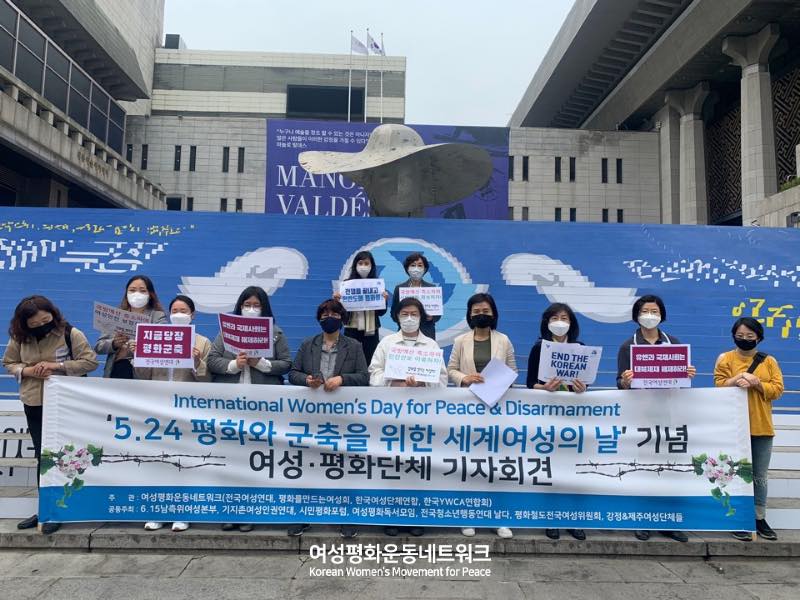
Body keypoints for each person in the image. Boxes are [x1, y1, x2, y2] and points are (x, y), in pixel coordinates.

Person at [3, 295, 98, 534]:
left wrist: (57, 367)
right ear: (24, 324)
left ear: (53, 315)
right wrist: (28, 370)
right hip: (34, 402)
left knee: (66, 456)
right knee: (43, 457)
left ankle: (63, 508)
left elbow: (90, 362)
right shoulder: (19, 337)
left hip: (66, 403)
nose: (41, 326)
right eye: (34, 324)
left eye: (45, 320)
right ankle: (45, 509)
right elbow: (9, 362)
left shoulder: (70, 333)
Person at [207, 285, 291, 532]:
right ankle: (230, 511)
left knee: (256, 459)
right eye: (247, 305)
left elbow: (286, 363)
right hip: (230, 406)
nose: (251, 309)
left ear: (264, 308)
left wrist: (261, 363)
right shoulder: (225, 333)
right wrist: (234, 364)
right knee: (230, 459)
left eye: (256, 305)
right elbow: (212, 361)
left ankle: (250, 511)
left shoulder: (276, 333)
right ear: (239, 307)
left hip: (261, 406)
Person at [286, 299, 369, 539]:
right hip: (311, 416)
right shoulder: (308, 344)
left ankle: (346, 518)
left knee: (343, 467)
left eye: (334, 314)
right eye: (324, 314)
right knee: (307, 465)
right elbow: (293, 373)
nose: (329, 318)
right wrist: (306, 381)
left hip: (343, 417)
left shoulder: (354, 346)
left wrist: (342, 379)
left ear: (342, 319)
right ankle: (302, 516)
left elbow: (364, 377)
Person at [616, 294, 696, 543]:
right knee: (644, 470)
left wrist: (687, 374)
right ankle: (643, 520)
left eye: (654, 311)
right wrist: (625, 381)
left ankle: (668, 522)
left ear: (662, 315)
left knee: (669, 469)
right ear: (636, 315)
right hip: (641, 418)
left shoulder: (674, 343)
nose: (649, 316)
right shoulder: (628, 346)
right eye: (645, 311)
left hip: (669, 416)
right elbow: (620, 384)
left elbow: (681, 382)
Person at [370, 297, 446, 537]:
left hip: (421, 418)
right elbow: (373, 375)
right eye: (405, 314)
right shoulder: (387, 343)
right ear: (396, 317)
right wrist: (393, 379)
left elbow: (443, 381)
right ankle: (391, 517)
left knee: (418, 468)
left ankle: (416, 517)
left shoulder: (431, 345)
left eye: (414, 314)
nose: (410, 318)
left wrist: (423, 382)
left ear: (422, 317)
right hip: (392, 416)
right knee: (392, 467)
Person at [139, 294, 212, 533]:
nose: (178, 314)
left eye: (183, 311)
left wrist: (196, 362)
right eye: (175, 311)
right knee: (159, 460)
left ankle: (183, 512)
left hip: (187, 409)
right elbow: (142, 376)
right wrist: (138, 355)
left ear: (192, 315)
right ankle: (158, 512)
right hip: (158, 408)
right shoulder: (156, 337)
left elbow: (208, 380)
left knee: (184, 461)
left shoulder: (202, 342)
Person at [448, 293, 516, 539]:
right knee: (469, 465)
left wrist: (501, 382)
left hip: (496, 410)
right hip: (468, 410)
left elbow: (512, 370)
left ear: (493, 313)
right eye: (476, 311)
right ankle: (467, 516)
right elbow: (451, 369)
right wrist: (464, 378)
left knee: (495, 465)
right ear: (469, 315)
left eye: (485, 310)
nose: (481, 315)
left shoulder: (503, 340)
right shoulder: (460, 341)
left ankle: (498, 518)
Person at [714, 317, 783, 541]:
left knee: (759, 476)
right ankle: (735, 518)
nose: (744, 339)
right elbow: (718, 386)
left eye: (750, 336)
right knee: (733, 473)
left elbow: (777, 389)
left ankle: (759, 518)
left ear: (759, 337)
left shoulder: (769, 361)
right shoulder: (725, 358)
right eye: (740, 336)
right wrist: (737, 378)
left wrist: (757, 383)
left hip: (761, 427)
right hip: (733, 427)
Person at [525, 302, 587, 541]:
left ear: (572, 323)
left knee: (573, 469)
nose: (560, 322)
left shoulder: (580, 349)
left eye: (564, 318)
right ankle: (551, 518)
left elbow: (585, 383)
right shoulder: (538, 349)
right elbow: (530, 383)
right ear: (546, 323)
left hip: (573, 417)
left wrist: (580, 388)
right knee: (550, 468)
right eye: (555, 318)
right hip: (548, 416)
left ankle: (573, 520)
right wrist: (544, 388)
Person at [94, 275, 167, 379]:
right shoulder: (116, 315)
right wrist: (114, 344)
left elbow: (162, 343)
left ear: (150, 294)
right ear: (126, 294)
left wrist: (139, 345)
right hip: (117, 370)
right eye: (132, 290)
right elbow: (99, 347)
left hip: (143, 373)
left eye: (142, 291)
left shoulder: (157, 316)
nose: (136, 294)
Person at [335, 250, 389, 364]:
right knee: (350, 359)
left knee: (370, 359)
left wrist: (384, 300)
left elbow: (381, 313)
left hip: (371, 330)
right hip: (352, 328)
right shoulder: (347, 284)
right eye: (360, 263)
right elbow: (342, 312)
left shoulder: (377, 285)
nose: (363, 266)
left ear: (371, 266)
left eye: (366, 263)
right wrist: (338, 301)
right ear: (355, 265)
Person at [390, 252, 441, 340]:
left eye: (420, 265)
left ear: (425, 269)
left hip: (427, 332)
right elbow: (393, 313)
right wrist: (403, 319)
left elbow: (438, 315)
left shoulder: (432, 289)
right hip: (405, 332)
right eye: (413, 265)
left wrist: (432, 317)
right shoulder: (399, 288)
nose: (416, 268)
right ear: (407, 268)